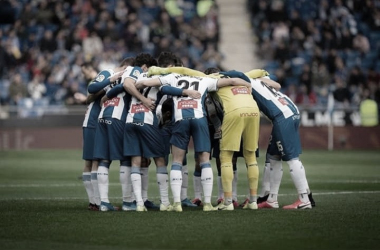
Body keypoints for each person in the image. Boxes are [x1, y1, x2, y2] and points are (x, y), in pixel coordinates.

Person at [137, 69, 253, 212]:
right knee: (205, 160)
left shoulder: (172, 77)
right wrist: (248, 85)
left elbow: (145, 83)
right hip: (199, 119)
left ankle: (177, 203)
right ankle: (207, 204)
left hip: (180, 119)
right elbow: (232, 81)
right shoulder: (204, 80)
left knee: (177, 161)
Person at [120, 53, 201, 212]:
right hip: (148, 121)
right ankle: (164, 202)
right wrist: (186, 92)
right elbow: (167, 89)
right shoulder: (158, 76)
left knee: (136, 162)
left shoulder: (134, 75)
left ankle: (139, 204)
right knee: (160, 161)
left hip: (130, 120)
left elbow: (124, 86)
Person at [228, 70, 315, 209]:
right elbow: (277, 85)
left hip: (282, 116)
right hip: (290, 111)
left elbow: (234, 77)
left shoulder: (248, 81)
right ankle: (272, 199)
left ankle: (304, 200)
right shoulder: (262, 81)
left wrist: (220, 76)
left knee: (292, 159)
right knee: (273, 156)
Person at [91, 57, 138, 212]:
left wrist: (107, 94)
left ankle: (104, 203)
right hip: (118, 117)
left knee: (104, 160)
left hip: (103, 117)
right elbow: (92, 88)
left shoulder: (110, 76)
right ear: (126, 66)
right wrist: (112, 81)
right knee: (125, 159)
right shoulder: (117, 73)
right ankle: (127, 202)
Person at [80, 62, 103, 211]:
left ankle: (93, 202)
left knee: (90, 162)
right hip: (93, 123)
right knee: (95, 161)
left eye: (84, 71)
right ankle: (97, 202)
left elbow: (88, 99)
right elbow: (89, 99)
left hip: (90, 122)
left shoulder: (97, 81)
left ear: (91, 69)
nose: (84, 75)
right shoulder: (98, 82)